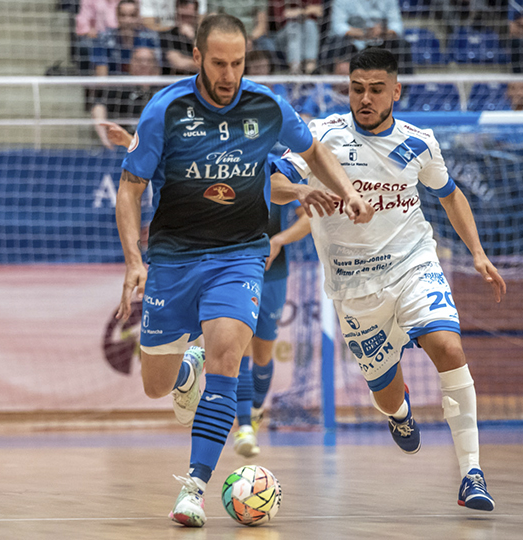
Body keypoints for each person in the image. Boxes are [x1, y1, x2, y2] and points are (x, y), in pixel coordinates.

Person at [113, 13, 372, 528]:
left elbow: (311, 150)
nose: (229, 74)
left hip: (240, 254)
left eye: (237, 63)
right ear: (197, 58)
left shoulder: (267, 104)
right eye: (218, 63)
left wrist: (348, 191)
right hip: (173, 256)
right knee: (155, 387)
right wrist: (133, 262)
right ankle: (187, 367)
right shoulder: (165, 110)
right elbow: (131, 188)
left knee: (229, 358)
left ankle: (194, 488)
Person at [271, 47, 506, 512]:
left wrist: (477, 253)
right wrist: (301, 189)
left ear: (395, 91)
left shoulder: (420, 142)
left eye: (376, 90)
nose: (365, 98)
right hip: (354, 289)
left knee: (449, 347)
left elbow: (450, 195)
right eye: (357, 89)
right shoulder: (321, 138)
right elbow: (272, 185)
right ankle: (400, 416)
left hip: (413, 265)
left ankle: (472, 475)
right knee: (387, 394)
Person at [232, 197, 310, 458]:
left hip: (273, 274)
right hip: (236, 272)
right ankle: (243, 426)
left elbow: (309, 218)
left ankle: (254, 411)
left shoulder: (277, 172)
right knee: (239, 350)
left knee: (263, 355)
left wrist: (278, 240)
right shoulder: (228, 168)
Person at [91, 46, 162, 149]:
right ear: (131, 63)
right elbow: (98, 107)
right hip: (123, 144)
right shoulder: (120, 86)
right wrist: (104, 138)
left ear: (155, 64)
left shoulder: (163, 89)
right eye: (139, 60)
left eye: (148, 60)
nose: (144, 64)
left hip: (155, 146)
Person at [89, 0, 160, 76]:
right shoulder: (104, 38)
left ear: (138, 16)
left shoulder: (149, 38)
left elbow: (157, 69)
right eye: (123, 15)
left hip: (141, 82)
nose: (127, 20)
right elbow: (101, 73)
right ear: (117, 16)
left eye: (132, 16)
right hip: (113, 84)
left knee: (144, 55)